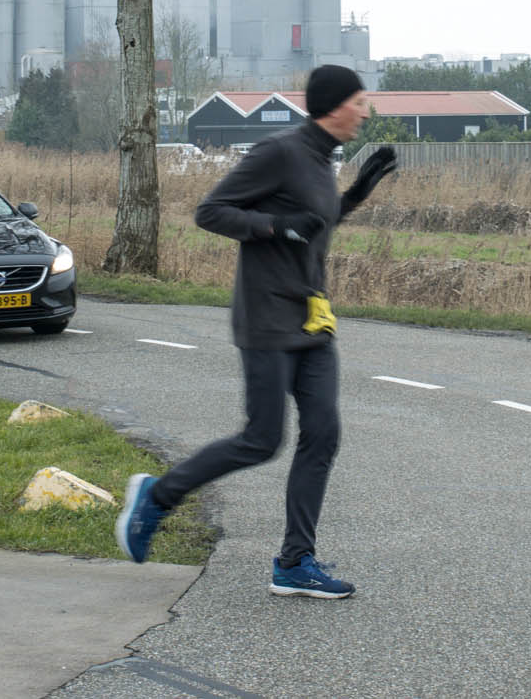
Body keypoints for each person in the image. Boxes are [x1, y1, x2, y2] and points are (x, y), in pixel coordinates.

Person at [115, 64, 399, 599]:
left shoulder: (321, 159)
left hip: (312, 318)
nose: (366, 112)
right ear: (335, 105)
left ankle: (294, 562)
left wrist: (359, 191)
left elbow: (312, 223)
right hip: (267, 316)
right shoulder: (280, 151)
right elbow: (211, 212)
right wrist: (274, 227)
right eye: (360, 102)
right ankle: (158, 496)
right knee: (261, 439)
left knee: (323, 435)